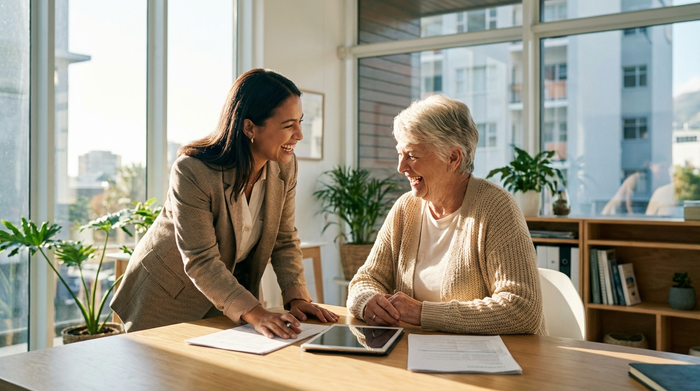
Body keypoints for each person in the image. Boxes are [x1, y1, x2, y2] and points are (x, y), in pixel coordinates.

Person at [111, 68, 338, 338]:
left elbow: (284, 239)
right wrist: (256, 312)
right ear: (249, 127)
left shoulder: (285, 168)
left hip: (229, 297)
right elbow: (200, 259)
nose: (299, 134)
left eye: (300, 122)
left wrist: (298, 298)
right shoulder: (193, 171)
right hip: (167, 295)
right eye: (288, 125)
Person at [346, 95, 546, 335]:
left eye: (412, 155)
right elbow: (365, 279)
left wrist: (422, 314)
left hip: (493, 361)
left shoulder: (496, 207)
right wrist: (367, 301)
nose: (401, 167)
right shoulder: (405, 208)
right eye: (400, 153)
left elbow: (522, 309)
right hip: (418, 354)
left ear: (453, 157)